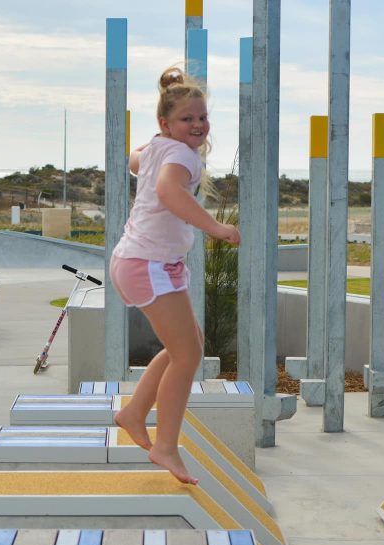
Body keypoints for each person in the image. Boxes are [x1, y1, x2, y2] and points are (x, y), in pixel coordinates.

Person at [109, 66, 240, 484]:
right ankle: (165, 445)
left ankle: (133, 413)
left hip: (142, 262)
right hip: (147, 264)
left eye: (202, 117)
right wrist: (215, 227)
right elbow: (167, 191)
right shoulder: (180, 155)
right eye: (188, 119)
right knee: (187, 355)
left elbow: (134, 161)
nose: (198, 125)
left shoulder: (159, 147)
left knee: (188, 345)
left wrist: (151, 150)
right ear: (167, 123)